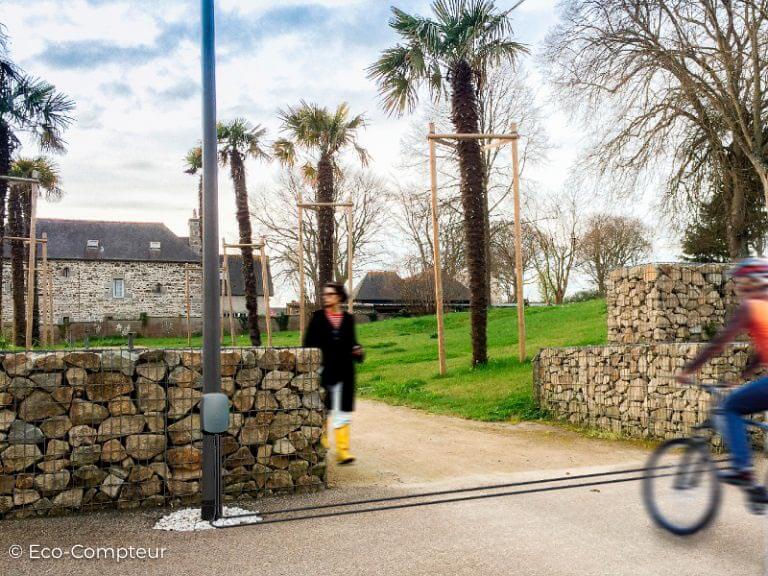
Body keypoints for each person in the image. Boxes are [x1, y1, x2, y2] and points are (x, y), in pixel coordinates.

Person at [677, 258, 768, 504]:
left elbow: (720, 343)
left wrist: (689, 369)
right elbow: (762, 354)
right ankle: (758, 493)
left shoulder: (751, 306)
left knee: (730, 408)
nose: (737, 286)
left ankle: (743, 470)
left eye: (739, 281)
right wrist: (740, 378)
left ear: (750, 282)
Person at [303, 282, 364, 465]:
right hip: (324, 370)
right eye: (325, 294)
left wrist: (358, 351)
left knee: (342, 411)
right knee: (323, 408)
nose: (326, 297)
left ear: (338, 296)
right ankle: (321, 442)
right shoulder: (318, 318)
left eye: (330, 294)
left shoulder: (348, 319)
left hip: (345, 371)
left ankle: (343, 451)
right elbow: (307, 345)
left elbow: (353, 342)